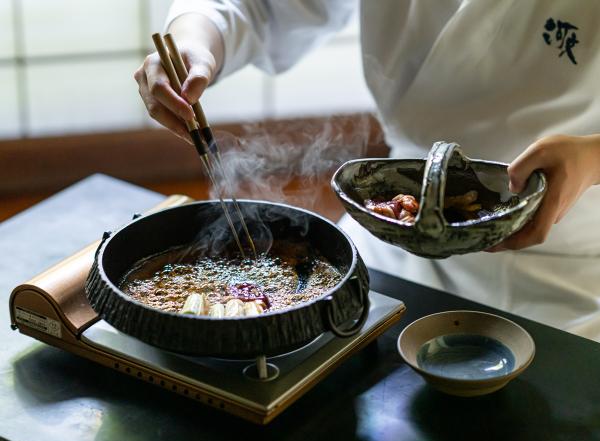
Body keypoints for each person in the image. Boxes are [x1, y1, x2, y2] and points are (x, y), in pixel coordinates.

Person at [134, 1, 600, 340]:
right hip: (398, 233)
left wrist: (590, 158)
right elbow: (260, 6)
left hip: (569, 258)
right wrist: (194, 42)